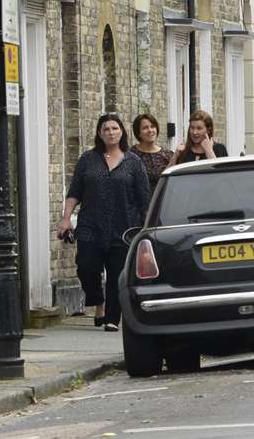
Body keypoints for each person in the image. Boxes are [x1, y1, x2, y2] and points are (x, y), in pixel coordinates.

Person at [58, 114, 150, 331]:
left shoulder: (133, 162)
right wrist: (65, 218)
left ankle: (111, 318)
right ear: (100, 133)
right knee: (86, 267)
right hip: (91, 223)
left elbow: (144, 198)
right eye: (106, 129)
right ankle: (98, 302)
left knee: (117, 274)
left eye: (115, 128)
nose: (110, 132)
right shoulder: (87, 160)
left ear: (122, 132)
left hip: (124, 225)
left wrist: (146, 227)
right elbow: (75, 192)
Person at [131, 112, 172, 191]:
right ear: (138, 133)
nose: (150, 130)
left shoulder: (167, 155)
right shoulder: (130, 155)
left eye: (152, 126)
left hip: (162, 201)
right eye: (145, 128)